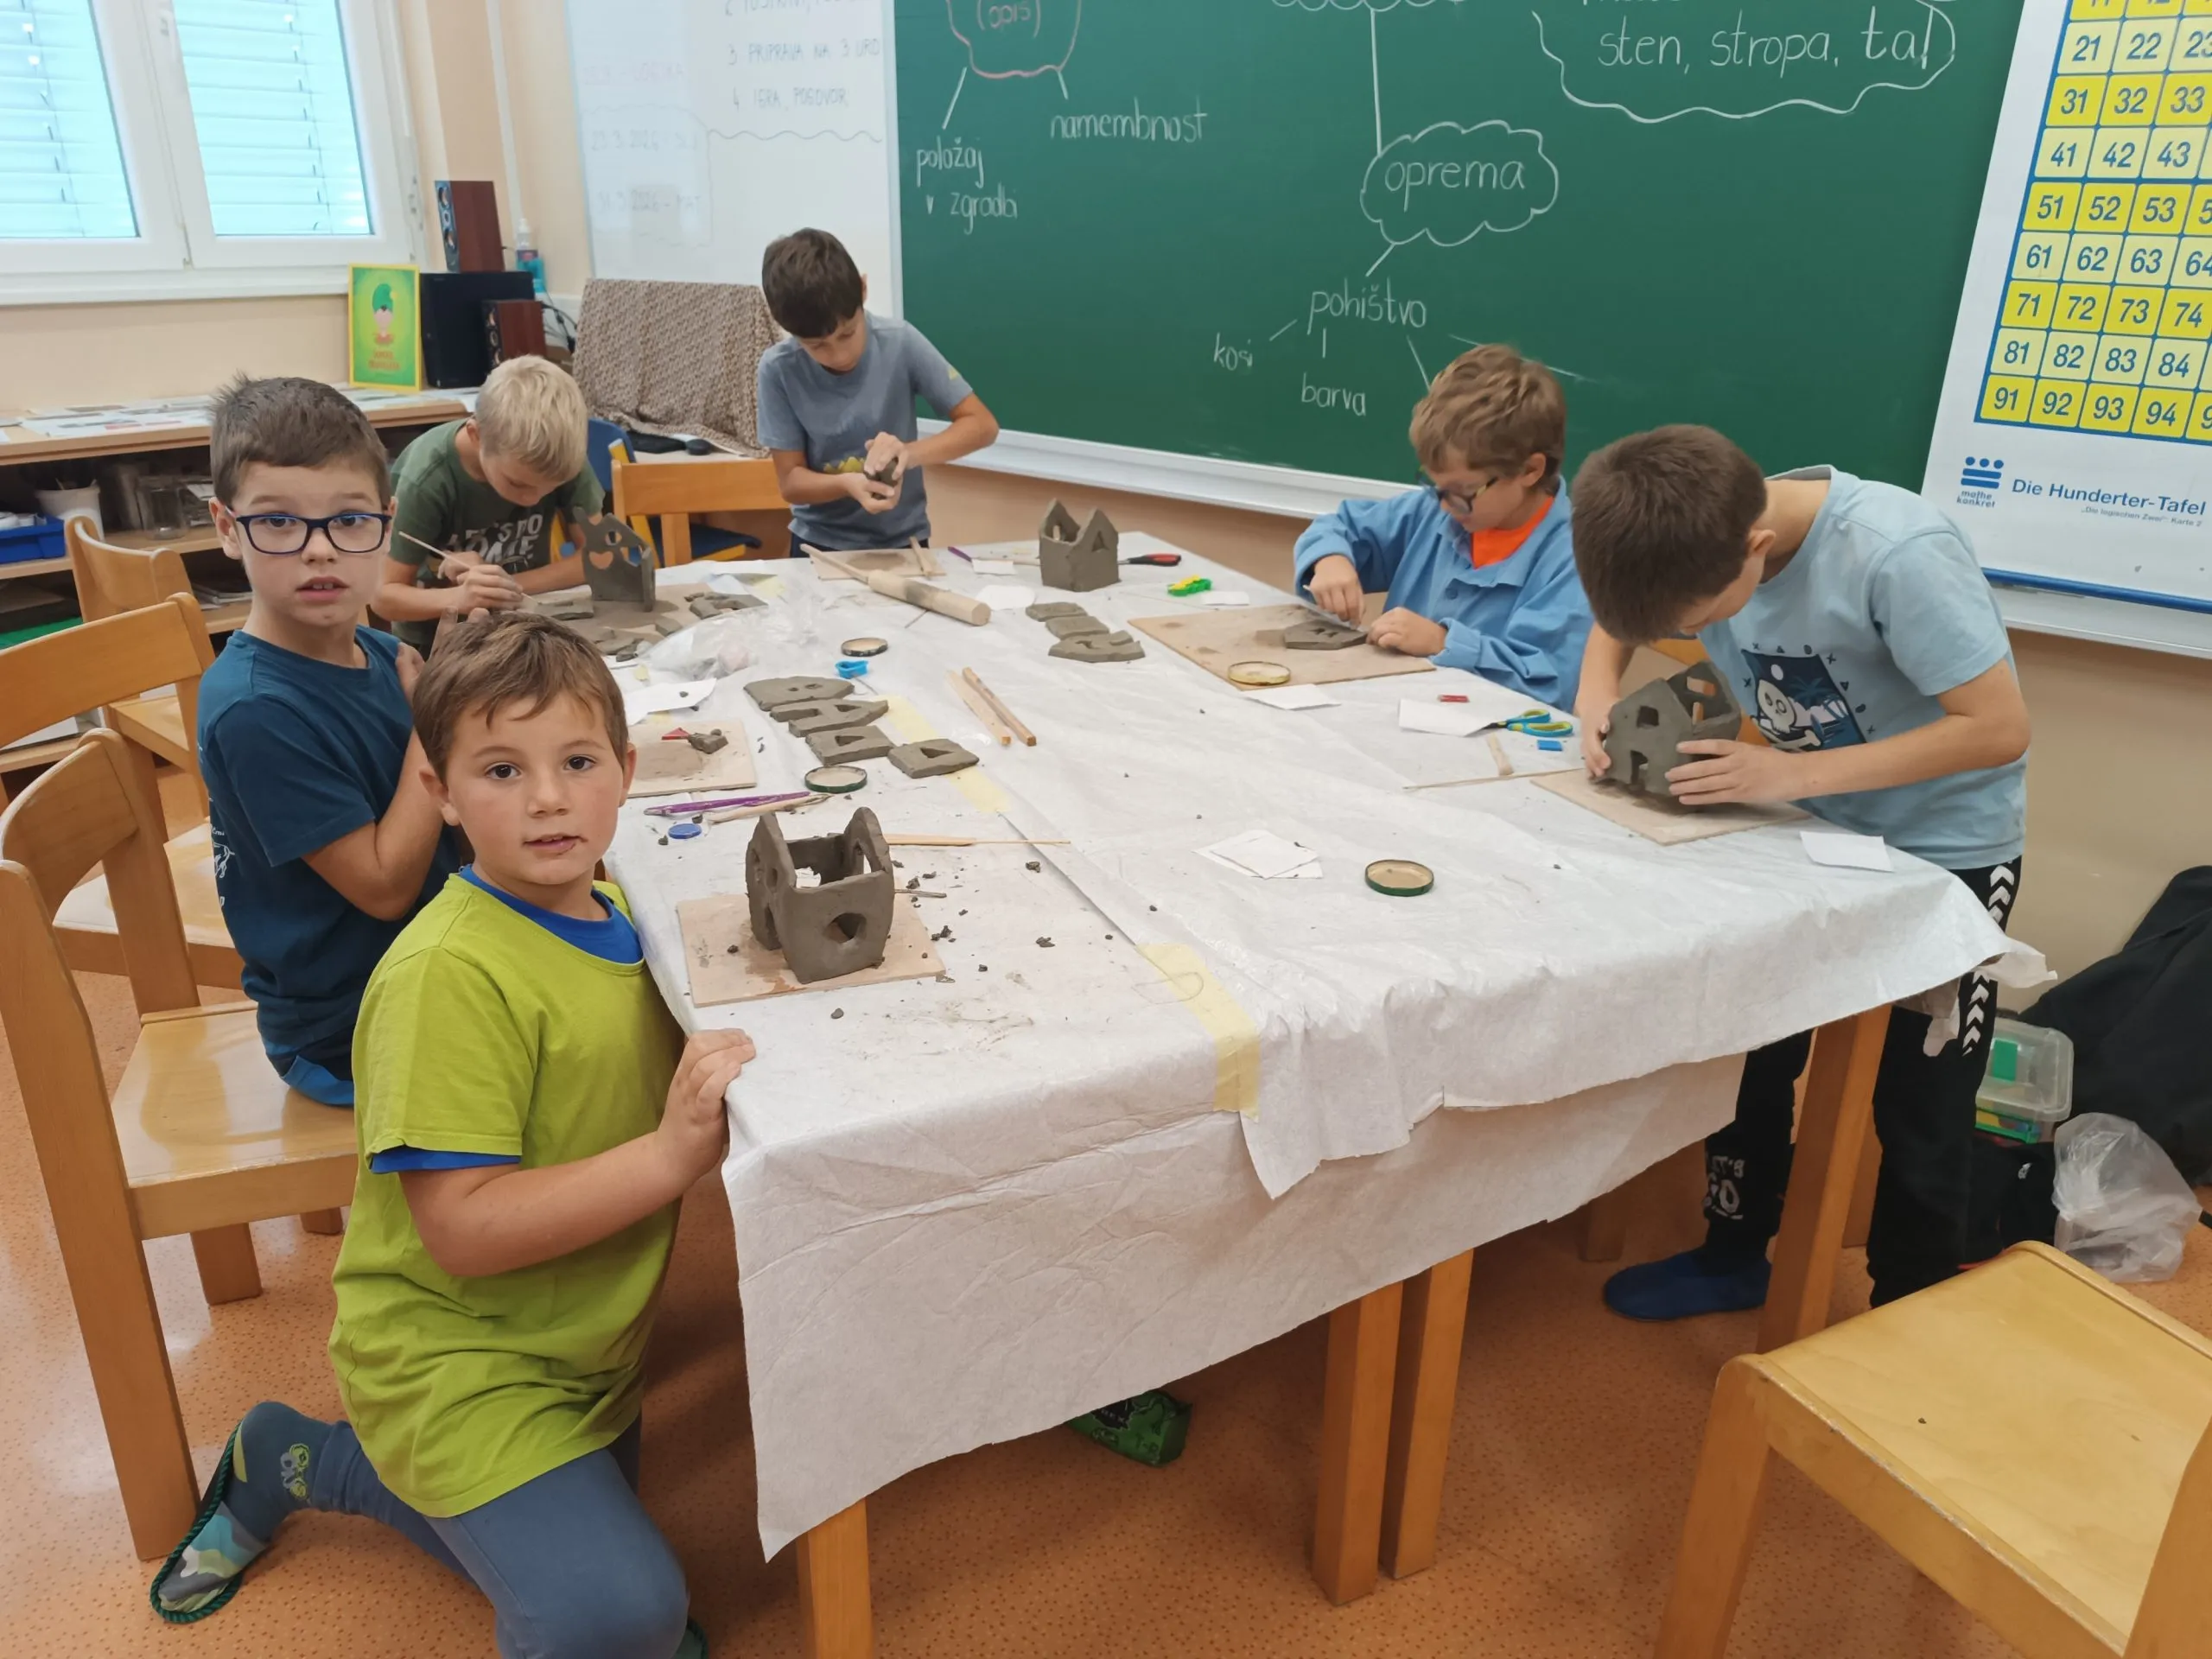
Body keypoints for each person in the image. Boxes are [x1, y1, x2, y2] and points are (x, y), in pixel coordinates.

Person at [154, 613, 756, 1659]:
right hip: (456, 1365)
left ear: (626, 771)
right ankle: (297, 1462)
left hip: (581, 1345)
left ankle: (303, 1455)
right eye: (501, 770)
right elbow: (463, 1231)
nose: (548, 799)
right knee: (622, 1616)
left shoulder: (615, 905)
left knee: (598, 1578)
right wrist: (668, 1157)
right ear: (437, 790)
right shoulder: (446, 977)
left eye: (576, 762)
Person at [1569, 424, 2031, 1318]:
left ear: (1757, 547)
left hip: (1944, 852)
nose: (1690, 636)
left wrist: (1790, 775)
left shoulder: (1896, 552)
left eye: (1695, 621)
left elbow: (1998, 728)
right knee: (1750, 1054)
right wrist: (1596, 695)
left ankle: (1906, 1311)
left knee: (1921, 1104)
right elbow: (1614, 623)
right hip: (1804, 828)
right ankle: (1734, 1252)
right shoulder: (1683, 530)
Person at [198, 376, 461, 1107]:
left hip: (429, 963)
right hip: (351, 1028)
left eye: (349, 520)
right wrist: (434, 722)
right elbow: (384, 888)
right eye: (278, 522)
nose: (319, 551)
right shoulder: (254, 709)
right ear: (226, 527)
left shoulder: (379, 654)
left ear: (387, 522)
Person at [1292, 345, 1592, 707]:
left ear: (1530, 470)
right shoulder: (1434, 511)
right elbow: (1338, 527)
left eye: (1464, 491)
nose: (1446, 505)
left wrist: (1443, 642)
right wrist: (1330, 560)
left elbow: (1547, 682)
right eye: (1436, 486)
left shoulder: (1574, 559)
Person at [756, 226, 999, 556]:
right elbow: (791, 482)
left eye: (847, 333)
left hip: (904, 542)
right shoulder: (778, 369)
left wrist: (909, 454)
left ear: (863, 289)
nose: (839, 355)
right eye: (817, 346)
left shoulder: (900, 343)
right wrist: (846, 484)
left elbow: (982, 425)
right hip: (817, 545)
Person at [378, 355, 607, 652]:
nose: (533, 499)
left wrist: (503, 585)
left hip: (521, 627)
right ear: (476, 436)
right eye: (518, 484)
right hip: (438, 644)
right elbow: (384, 596)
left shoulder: (558, 457)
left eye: (551, 488)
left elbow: (598, 558)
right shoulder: (427, 480)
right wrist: (459, 597)